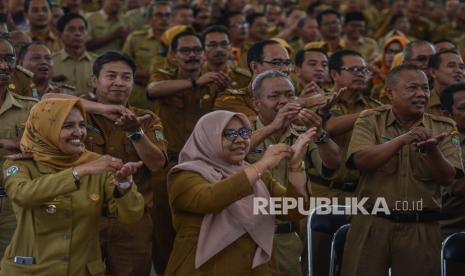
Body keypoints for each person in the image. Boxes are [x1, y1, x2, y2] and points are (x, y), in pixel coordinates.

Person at [341, 64, 463, 276]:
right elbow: (361, 160)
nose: (421, 94)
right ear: (390, 92)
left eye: (425, 88)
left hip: (422, 227)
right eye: (412, 88)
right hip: (372, 223)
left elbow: (448, 178)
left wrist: (433, 151)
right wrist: (402, 140)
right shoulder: (370, 120)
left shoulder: (444, 126)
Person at [1, 98, 145, 275]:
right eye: (68, 126)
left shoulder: (97, 164)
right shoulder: (22, 165)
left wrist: (124, 185)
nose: (79, 132)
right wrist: (78, 172)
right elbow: (23, 195)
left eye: (82, 125)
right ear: (46, 128)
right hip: (32, 270)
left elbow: (130, 216)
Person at [165, 110, 312, 275]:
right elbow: (210, 199)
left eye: (244, 133)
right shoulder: (184, 175)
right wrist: (261, 165)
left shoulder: (258, 177)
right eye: (229, 134)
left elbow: (295, 209)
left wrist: (295, 166)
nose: (241, 140)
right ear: (207, 138)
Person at [247, 70, 342, 276]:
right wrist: (273, 127)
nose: (284, 102)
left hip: (287, 237)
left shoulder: (301, 134)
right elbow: (223, 155)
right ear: (257, 104)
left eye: (289, 95)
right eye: (274, 96)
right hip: (247, 236)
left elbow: (333, 164)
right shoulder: (243, 128)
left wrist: (319, 132)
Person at [0, 37, 37, 260]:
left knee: (14, 266)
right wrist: (6, 142)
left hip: (15, 204)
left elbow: (42, 149)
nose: (4, 66)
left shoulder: (30, 109)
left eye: (9, 58)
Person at [52, 12, 97, 97]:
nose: (78, 33)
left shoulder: (98, 63)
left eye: (82, 29)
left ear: (87, 33)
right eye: (71, 29)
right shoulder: (50, 62)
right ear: (59, 34)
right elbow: (35, 90)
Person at [427, 49, 465, 116]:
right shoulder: (424, 103)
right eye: (451, 66)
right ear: (433, 72)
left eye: (462, 67)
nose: (458, 70)